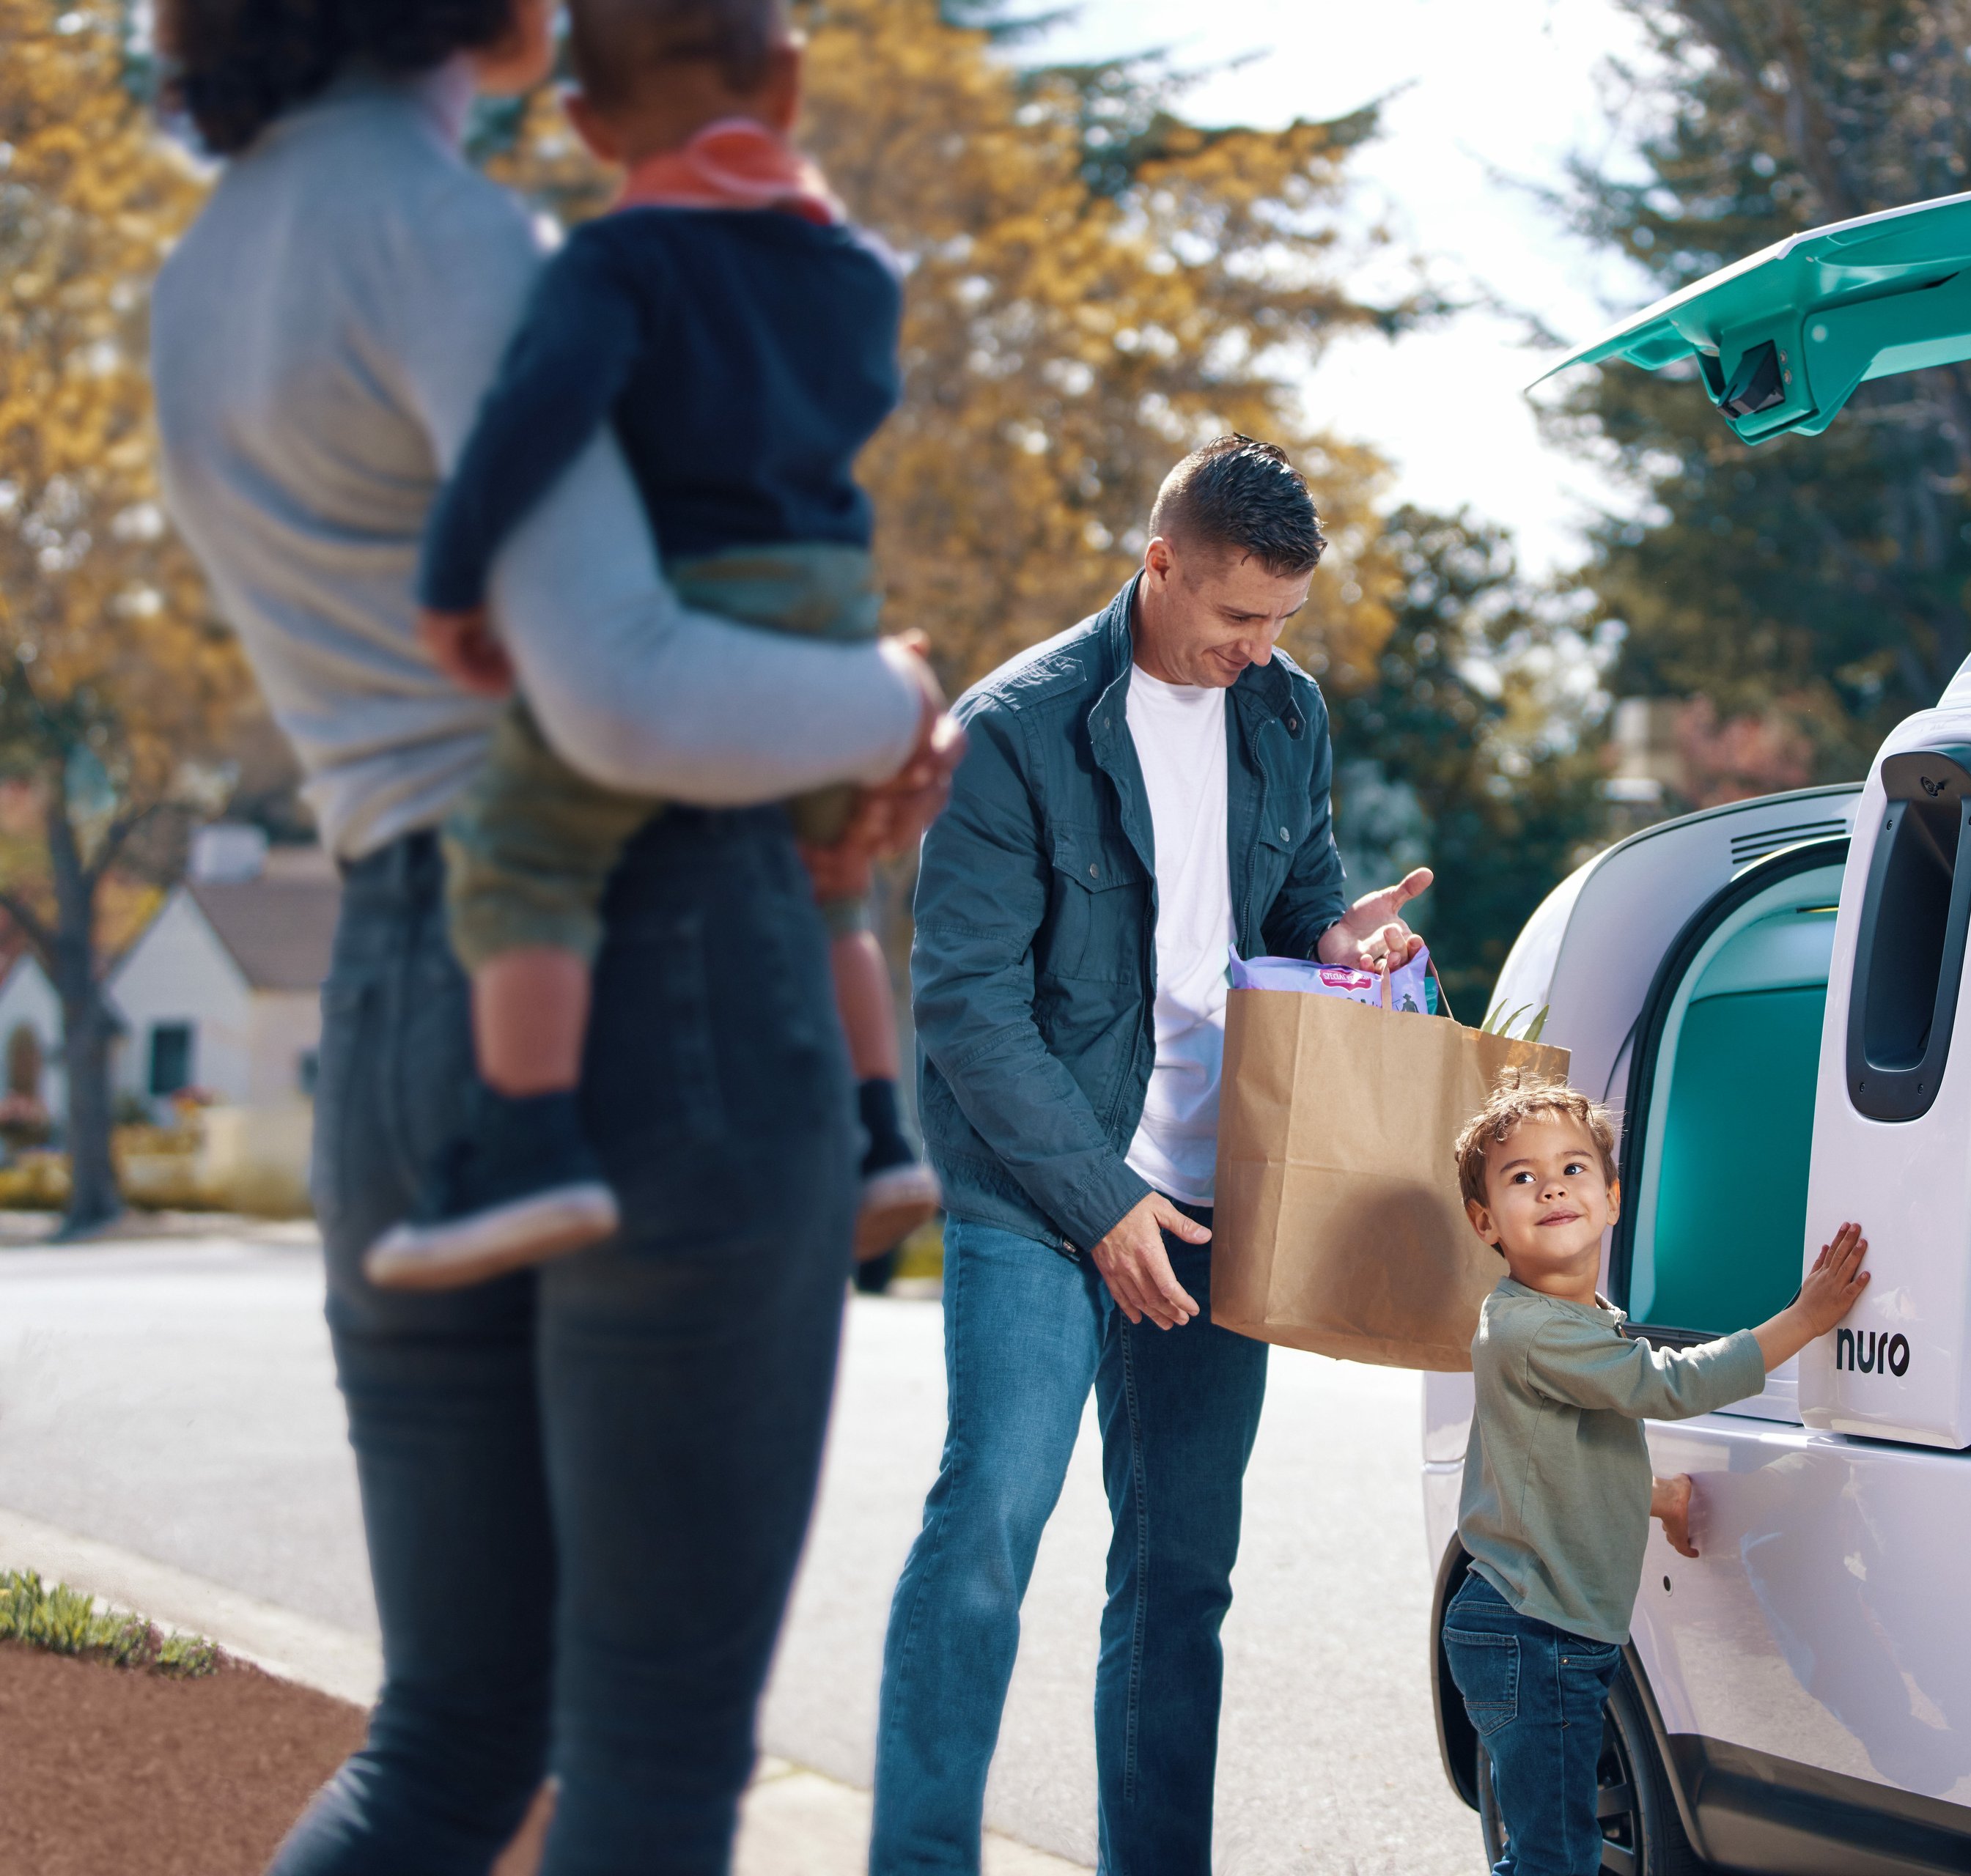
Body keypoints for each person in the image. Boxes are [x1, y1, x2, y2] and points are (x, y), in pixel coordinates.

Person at [147, 1, 961, 1869]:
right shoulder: (454, 239)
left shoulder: (203, 277)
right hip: (659, 961)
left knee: (444, 1736)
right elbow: (623, 697)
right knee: (656, 1752)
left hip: (400, 986)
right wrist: (883, 698)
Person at [874, 435, 1432, 1875]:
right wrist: (1097, 1194)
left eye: (1281, 622)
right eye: (1235, 615)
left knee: (1183, 1572)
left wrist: (1337, 933)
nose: (1258, 648)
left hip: (1211, 1183)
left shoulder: (1284, 711)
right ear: (1160, 560)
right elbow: (967, 1001)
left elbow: (1290, 885)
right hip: (1037, 1185)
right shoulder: (1016, 728)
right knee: (990, 1524)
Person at [370, 0, 936, 1289]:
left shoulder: (614, 266)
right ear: (788, 86)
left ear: (585, 122)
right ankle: (876, 1132)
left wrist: (457, 579)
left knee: (525, 839)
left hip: (701, 594)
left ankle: (528, 1139)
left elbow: (535, 420)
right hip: (835, 597)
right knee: (830, 871)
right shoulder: (855, 274)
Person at [1444, 1075, 1868, 1876]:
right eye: (1521, 1177)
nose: (1551, 1188)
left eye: (1572, 1169)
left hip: (1544, 1629)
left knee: (1552, 1853)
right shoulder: (1531, 1328)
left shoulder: (1574, 1318)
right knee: (1554, 1858)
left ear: (1610, 1198)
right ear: (1484, 1221)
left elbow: (1555, 1467)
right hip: (1530, 1634)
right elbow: (1665, 1386)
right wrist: (1804, 1319)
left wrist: (1662, 1498)